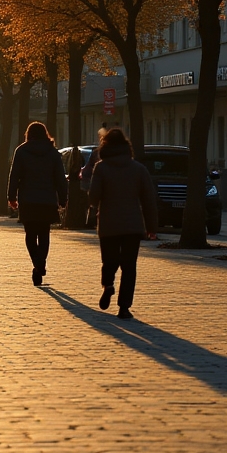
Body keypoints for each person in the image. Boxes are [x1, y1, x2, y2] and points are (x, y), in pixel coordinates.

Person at [89, 127, 158, 320]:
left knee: (109, 260)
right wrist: (152, 227)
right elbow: (148, 200)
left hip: (108, 224)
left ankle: (108, 284)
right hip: (132, 225)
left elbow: (94, 198)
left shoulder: (101, 168)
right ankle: (124, 307)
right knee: (129, 266)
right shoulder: (139, 169)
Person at [7, 122, 67, 287]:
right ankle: (40, 263)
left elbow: (14, 176)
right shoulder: (53, 153)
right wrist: (63, 198)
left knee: (30, 234)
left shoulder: (21, 151)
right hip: (47, 199)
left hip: (28, 199)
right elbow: (60, 178)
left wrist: (11, 196)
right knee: (44, 234)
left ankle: (37, 263)